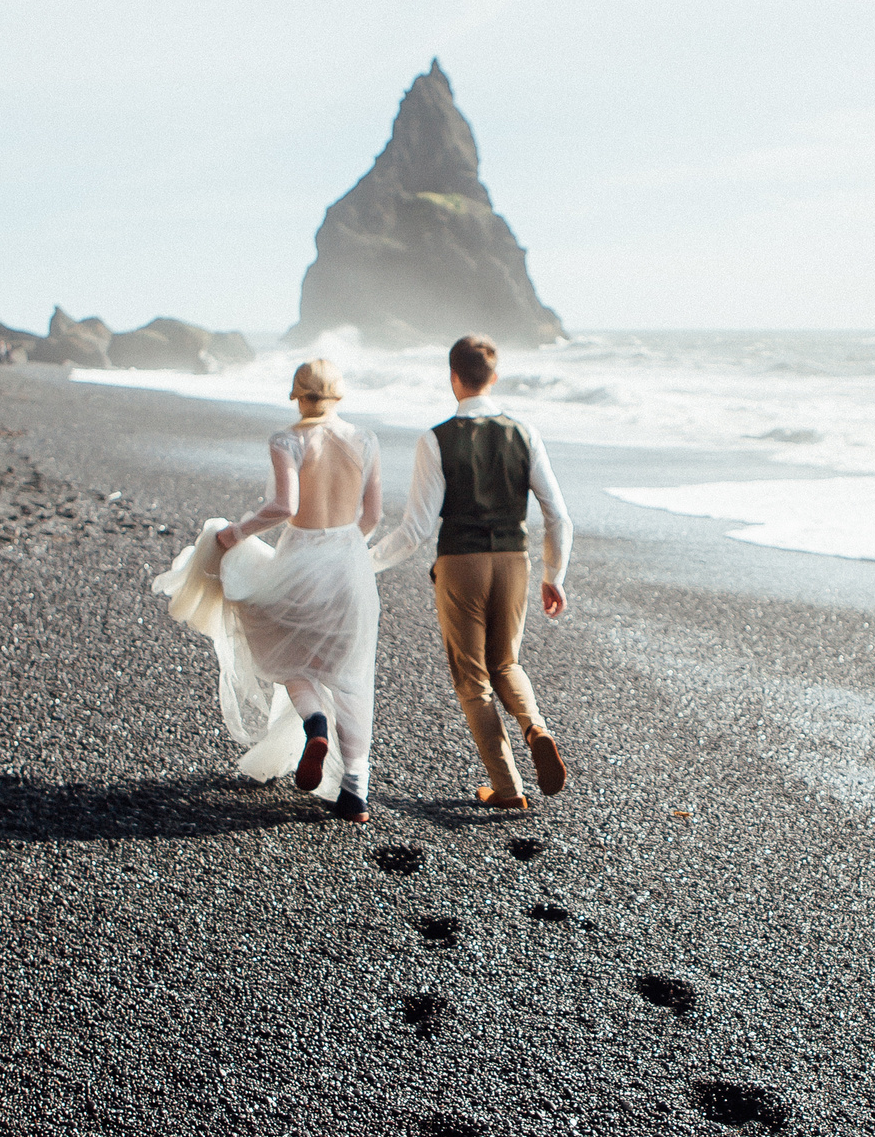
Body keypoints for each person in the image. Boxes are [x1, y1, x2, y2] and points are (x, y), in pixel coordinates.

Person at [152, 360, 383, 822]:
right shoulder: (366, 440)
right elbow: (372, 517)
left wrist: (234, 534)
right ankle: (355, 791)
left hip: (300, 562)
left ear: (298, 395)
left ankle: (314, 720)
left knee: (285, 652)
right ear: (338, 395)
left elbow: (285, 507)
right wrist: (345, 547)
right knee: (351, 676)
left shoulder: (288, 439)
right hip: (348, 566)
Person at [371, 334, 572, 811]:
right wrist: (555, 574)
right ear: (494, 378)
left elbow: (416, 529)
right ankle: (535, 727)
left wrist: (366, 561)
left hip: (460, 563)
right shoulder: (524, 433)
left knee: (473, 679)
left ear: (453, 378)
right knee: (506, 663)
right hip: (513, 560)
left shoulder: (436, 439)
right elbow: (558, 515)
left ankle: (507, 788)